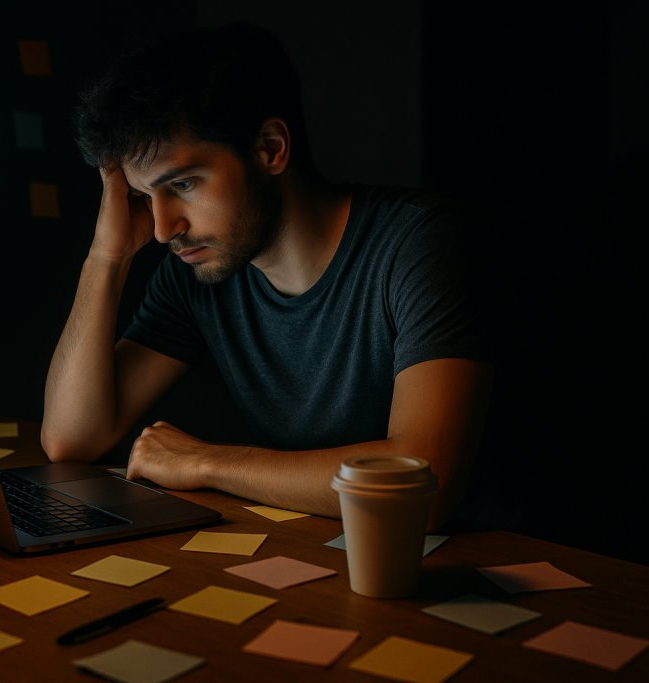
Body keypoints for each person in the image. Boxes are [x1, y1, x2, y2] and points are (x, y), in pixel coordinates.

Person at [40, 22, 500, 532]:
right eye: (143, 196)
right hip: (322, 555)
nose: (165, 226)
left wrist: (205, 461)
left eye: (184, 183)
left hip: (486, 574)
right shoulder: (196, 272)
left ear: (271, 148)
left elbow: (420, 483)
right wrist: (107, 257)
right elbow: (70, 439)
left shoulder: (422, 243)